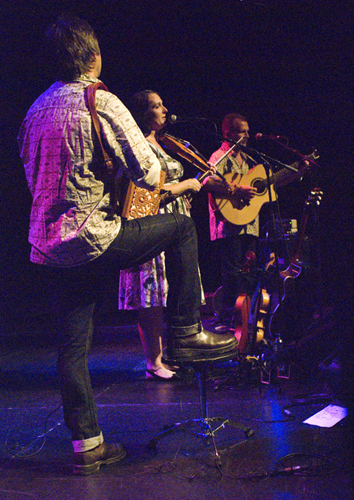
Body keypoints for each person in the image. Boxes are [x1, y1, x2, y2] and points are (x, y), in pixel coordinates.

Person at [17, 14, 237, 475]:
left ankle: (88, 446)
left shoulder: (34, 110)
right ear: (94, 56)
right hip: (96, 236)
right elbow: (151, 176)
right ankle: (183, 332)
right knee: (179, 229)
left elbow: (31, 174)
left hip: (48, 247)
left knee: (71, 348)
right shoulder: (101, 100)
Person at [119, 90, 205, 381]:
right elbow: (144, 191)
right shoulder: (139, 147)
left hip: (176, 218)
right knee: (152, 292)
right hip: (151, 221)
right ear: (143, 115)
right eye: (157, 106)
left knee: (177, 286)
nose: (165, 110)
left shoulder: (164, 142)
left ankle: (174, 352)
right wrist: (183, 188)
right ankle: (153, 362)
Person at [202, 113, 259, 331]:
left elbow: (265, 185)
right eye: (243, 131)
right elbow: (206, 180)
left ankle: (246, 318)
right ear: (229, 134)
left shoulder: (250, 159)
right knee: (233, 274)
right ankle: (226, 319)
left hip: (250, 223)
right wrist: (236, 189)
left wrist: (298, 172)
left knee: (249, 272)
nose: (247, 135)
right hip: (227, 224)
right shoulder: (219, 156)